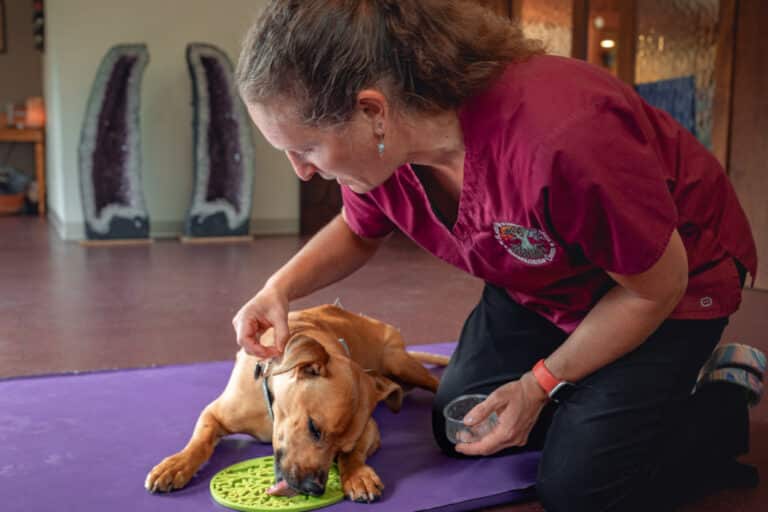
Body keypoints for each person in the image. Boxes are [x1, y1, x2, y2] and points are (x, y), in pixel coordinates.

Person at [231, 1, 761, 510]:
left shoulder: (563, 138)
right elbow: (359, 228)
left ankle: (716, 404)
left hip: (668, 286)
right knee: (462, 427)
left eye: (305, 149)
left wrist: (539, 385)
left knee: (581, 492)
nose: (300, 170)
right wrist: (277, 289)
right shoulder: (384, 148)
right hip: (542, 281)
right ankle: (617, 397)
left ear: (372, 110)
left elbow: (656, 287)